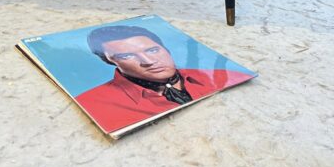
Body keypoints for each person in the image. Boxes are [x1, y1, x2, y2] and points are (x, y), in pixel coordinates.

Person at [75, 25, 254, 133]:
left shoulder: (230, 76)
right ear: (109, 61)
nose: (149, 61)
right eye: (127, 56)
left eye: (153, 50)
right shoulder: (92, 103)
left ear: (165, 48)